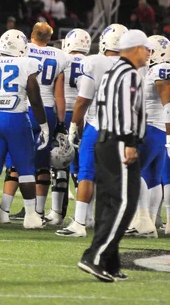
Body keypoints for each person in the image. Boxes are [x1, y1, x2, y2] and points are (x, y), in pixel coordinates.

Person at [78, 30, 150, 283]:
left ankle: (109, 262)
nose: (149, 53)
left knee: (108, 202)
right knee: (124, 203)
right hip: (119, 142)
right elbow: (126, 109)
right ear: (135, 48)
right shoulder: (129, 73)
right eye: (145, 48)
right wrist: (130, 142)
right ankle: (95, 257)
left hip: (105, 140)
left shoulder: (112, 70)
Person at [0, 29, 48, 229]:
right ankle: (31, 216)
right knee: (25, 168)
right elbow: (35, 99)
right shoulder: (27, 64)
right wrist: (44, 125)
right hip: (17, 120)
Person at [56, 24, 126, 237]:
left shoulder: (95, 62)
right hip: (124, 128)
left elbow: (83, 100)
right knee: (118, 177)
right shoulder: (133, 65)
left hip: (98, 126)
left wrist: (74, 126)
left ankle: (79, 223)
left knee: (86, 173)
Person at [0, 22, 67, 223]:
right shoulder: (59, 56)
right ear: (50, 38)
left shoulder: (22, 50)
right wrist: (60, 123)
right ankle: (39, 211)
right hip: (47, 111)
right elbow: (59, 95)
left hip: (23, 108)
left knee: (15, 163)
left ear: (31, 35)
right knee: (43, 164)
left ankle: (4, 210)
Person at [124, 34, 170, 238]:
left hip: (151, 128)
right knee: (153, 178)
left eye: (150, 50)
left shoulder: (160, 69)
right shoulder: (153, 70)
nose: (147, 53)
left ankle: (141, 220)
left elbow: (167, 103)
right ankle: (149, 224)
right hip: (159, 131)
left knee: (133, 172)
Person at [49, 29, 92, 221]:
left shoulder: (61, 60)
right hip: (85, 117)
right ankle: (87, 215)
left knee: (58, 165)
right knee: (84, 168)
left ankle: (57, 212)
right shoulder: (91, 62)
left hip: (63, 114)